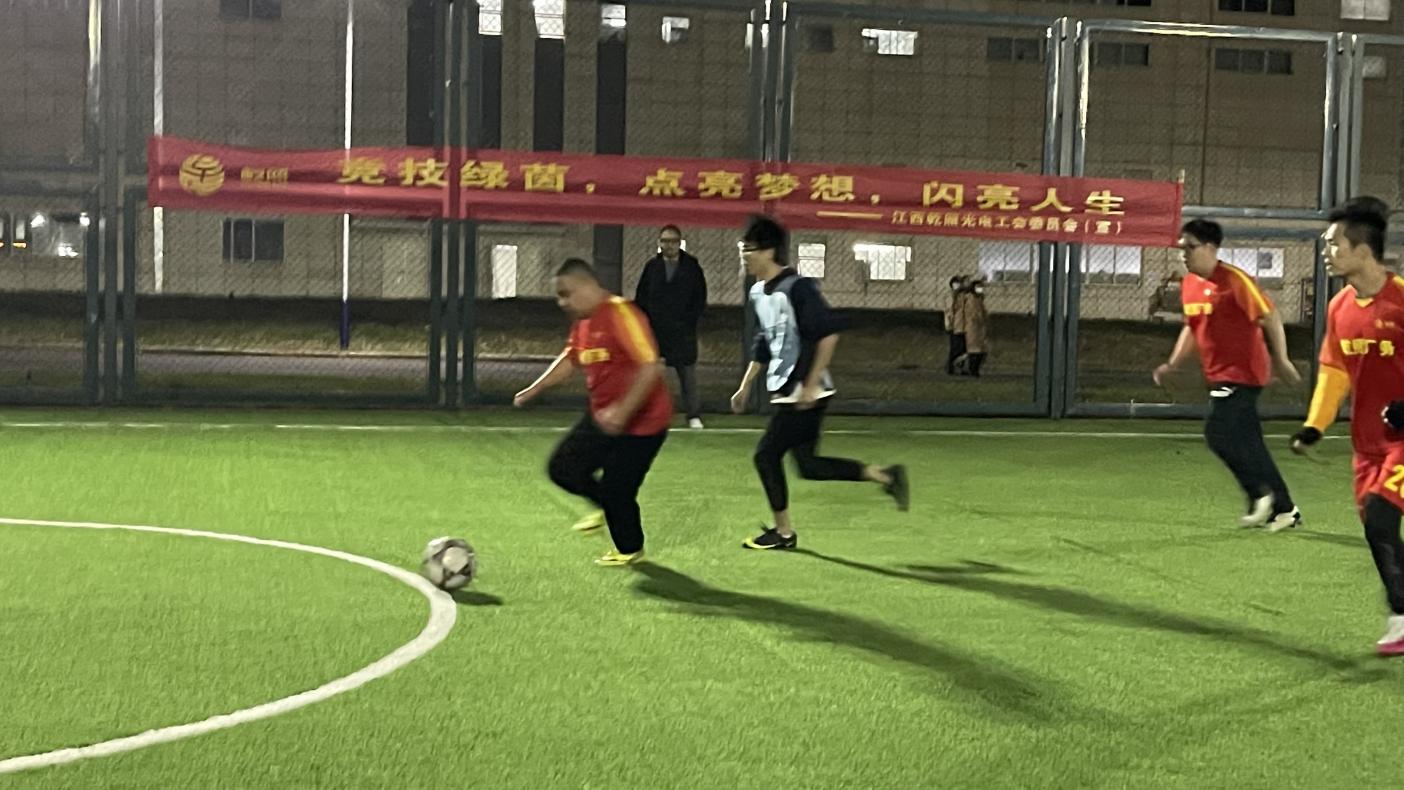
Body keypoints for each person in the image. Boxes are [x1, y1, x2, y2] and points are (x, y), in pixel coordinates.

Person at [730, 215, 909, 551]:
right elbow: (764, 342)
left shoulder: (798, 287)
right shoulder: (758, 292)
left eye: (749, 249)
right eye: (743, 248)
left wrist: (810, 385)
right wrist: (745, 385)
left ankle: (784, 534)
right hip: (788, 391)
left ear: (769, 251)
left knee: (765, 456)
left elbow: (828, 334)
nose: (744, 255)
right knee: (809, 466)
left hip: (805, 392)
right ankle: (885, 475)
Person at [1291, 197, 1404, 656]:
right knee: (1379, 532)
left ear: (1363, 250)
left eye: (1334, 243)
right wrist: (1315, 426)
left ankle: (1400, 619)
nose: (1327, 251)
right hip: (1367, 446)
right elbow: (1334, 371)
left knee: (1380, 520)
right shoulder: (1339, 307)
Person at [514, 258, 672, 566]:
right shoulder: (583, 321)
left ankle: (630, 549)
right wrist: (534, 390)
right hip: (602, 415)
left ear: (587, 286)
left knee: (617, 488)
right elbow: (570, 358)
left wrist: (622, 413)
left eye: (566, 294)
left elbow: (651, 367)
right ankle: (607, 507)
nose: (562, 302)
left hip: (644, 421)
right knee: (563, 468)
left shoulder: (621, 313)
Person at [1153, 219, 1303, 530]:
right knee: (1250, 443)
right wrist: (1173, 364)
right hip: (1219, 375)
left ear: (1211, 248)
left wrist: (1282, 360)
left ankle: (1260, 495)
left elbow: (1270, 315)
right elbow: (1192, 327)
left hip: (1243, 375)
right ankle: (1284, 509)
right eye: (1181, 249)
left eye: (1190, 248)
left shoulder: (1235, 280)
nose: (1184, 255)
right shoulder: (1190, 285)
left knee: (1217, 433)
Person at [635, 224, 708, 429]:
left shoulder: (692, 267)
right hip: (656, 331)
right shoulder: (652, 267)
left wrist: (690, 321)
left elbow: (700, 296)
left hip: (683, 331)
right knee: (652, 376)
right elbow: (641, 297)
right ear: (659, 243)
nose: (668, 245)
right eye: (664, 241)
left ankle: (693, 415)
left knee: (687, 375)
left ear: (679, 243)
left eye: (672, 241)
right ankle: (650, 413)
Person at [956, 276, 989, 377]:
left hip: (978, 327)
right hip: (972, 326)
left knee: (980, 350)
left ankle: (973, 369)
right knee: (974, 350)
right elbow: (973, 313)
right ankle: (972, 369)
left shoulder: (979, 298)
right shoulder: (971, 298)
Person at [944, 275, 968, 375]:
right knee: (955, 348)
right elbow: (949, 311)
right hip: (955, 325)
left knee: (963, 348)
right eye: (956, 283)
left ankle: (959, 367)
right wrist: (950, 323)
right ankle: (951, 367)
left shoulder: (962, 295)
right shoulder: (950, 296)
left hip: (963, 325)